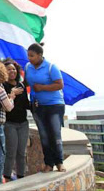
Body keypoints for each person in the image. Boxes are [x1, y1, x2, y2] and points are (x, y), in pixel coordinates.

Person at [24, 43, 66, 172]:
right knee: (44, 135)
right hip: (37, 106)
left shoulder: (51, 67)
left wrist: (42, 87)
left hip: (54, 105)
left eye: (32, 55)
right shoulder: (28, 67)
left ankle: (59, 162)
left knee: (55, 133)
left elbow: (60, 85)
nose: (29, 58)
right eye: (28, 56)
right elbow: (25, 82)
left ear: (40, 55)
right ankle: (49, 163)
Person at [1, 58, 30, 181]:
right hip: (10, 124)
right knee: (11, 152)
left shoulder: (21, 85)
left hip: (23, 123)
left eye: (13, 69)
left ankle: (21, 178)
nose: (12, 71)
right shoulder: (2, 86)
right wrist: (11, 94)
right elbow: (3, 104)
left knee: (22, 153)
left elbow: (26, 104)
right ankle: (7, 177)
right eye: (9, 69)